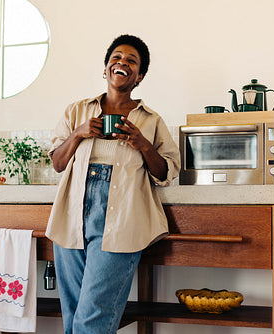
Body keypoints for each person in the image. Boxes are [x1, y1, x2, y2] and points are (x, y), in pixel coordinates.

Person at [46, 34, 180, 334]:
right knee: (73, 315)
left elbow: (166, 172)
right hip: (72, 217)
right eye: (116, 58)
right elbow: (57, 162)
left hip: (122, 220)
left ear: (139, 76)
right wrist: (79, 133)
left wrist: (142, 143)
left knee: (91, 319)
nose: (122, 63)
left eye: (131, 61)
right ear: (106, 69)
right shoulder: (76, 111)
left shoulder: (151, 120)